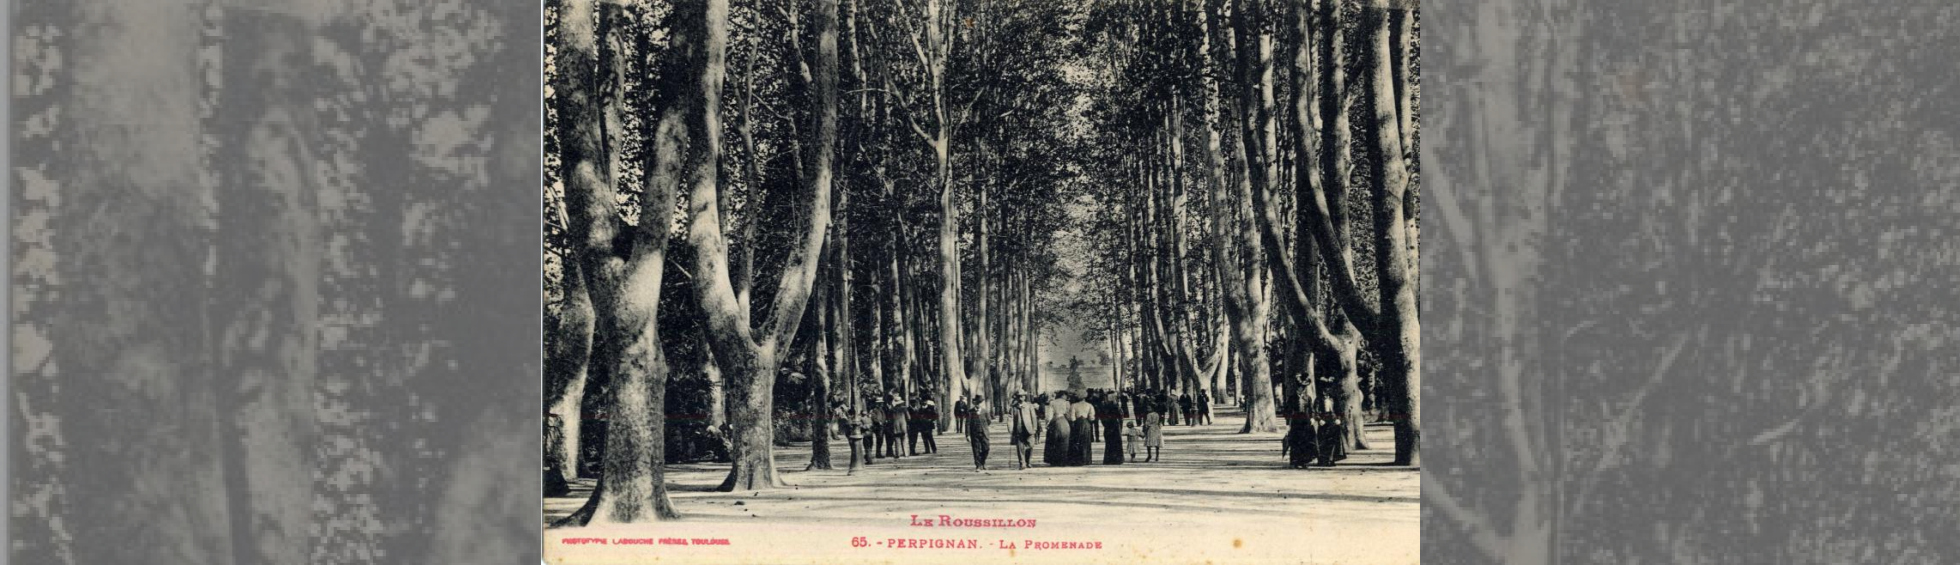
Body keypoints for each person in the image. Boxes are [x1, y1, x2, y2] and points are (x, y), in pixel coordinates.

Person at [1009, 393, 1039, 470]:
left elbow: (1034, 417)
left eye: (1022, 396)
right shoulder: (1014, 407)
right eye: (1019, 396)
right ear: (1017, 397)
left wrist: (1035, 428)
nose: (1021, 398)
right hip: (1018, 430)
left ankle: (1028, 461)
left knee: (1031, 445)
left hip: (1029, 429)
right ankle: (1022, 463)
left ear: (1025, 397)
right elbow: (1010, 418)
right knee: (1020, 447)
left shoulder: (1029, 406)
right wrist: (1011, 429)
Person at [1068, 392, 1096, 466]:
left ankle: (1077, 460)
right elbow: (1092, 417)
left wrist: (1074, 423)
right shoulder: (1089, 405)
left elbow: (1072, 417)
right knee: (1086, 441)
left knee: (1076, 441)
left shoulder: (1074, 405)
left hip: (1077, 424)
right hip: (1086, 423)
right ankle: (1086, 459)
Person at [966, 395, 991, 470]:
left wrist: (984, 426)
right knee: (976, 449)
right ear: (974, 403)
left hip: (984, 433)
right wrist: (968, 435)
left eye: (980, 402)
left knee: (986, 448)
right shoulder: (970, 412)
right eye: (977, 403)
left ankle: (982, 462)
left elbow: (989, 421)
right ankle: (978, 465)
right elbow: (967, 424)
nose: (978, 404)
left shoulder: (985, 411)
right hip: (974, 433)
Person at [1100, 393, 1125, 464]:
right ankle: (1117, 459)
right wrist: (1120, 427)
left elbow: (1102, 418)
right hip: (1116, 427)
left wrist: (1106, 425)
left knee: (1109, 444)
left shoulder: (1104, 408)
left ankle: (1108, 459)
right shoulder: (1117, 407)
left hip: (1108, 427)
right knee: (1117, 444)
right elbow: (1121, 418)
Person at [844, 408, 866, 474]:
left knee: (854, 449)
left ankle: (857, 463)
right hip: (852, 436)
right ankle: (857, 464)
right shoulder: (849, 421)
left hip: (851, 436)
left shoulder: (848, 420)